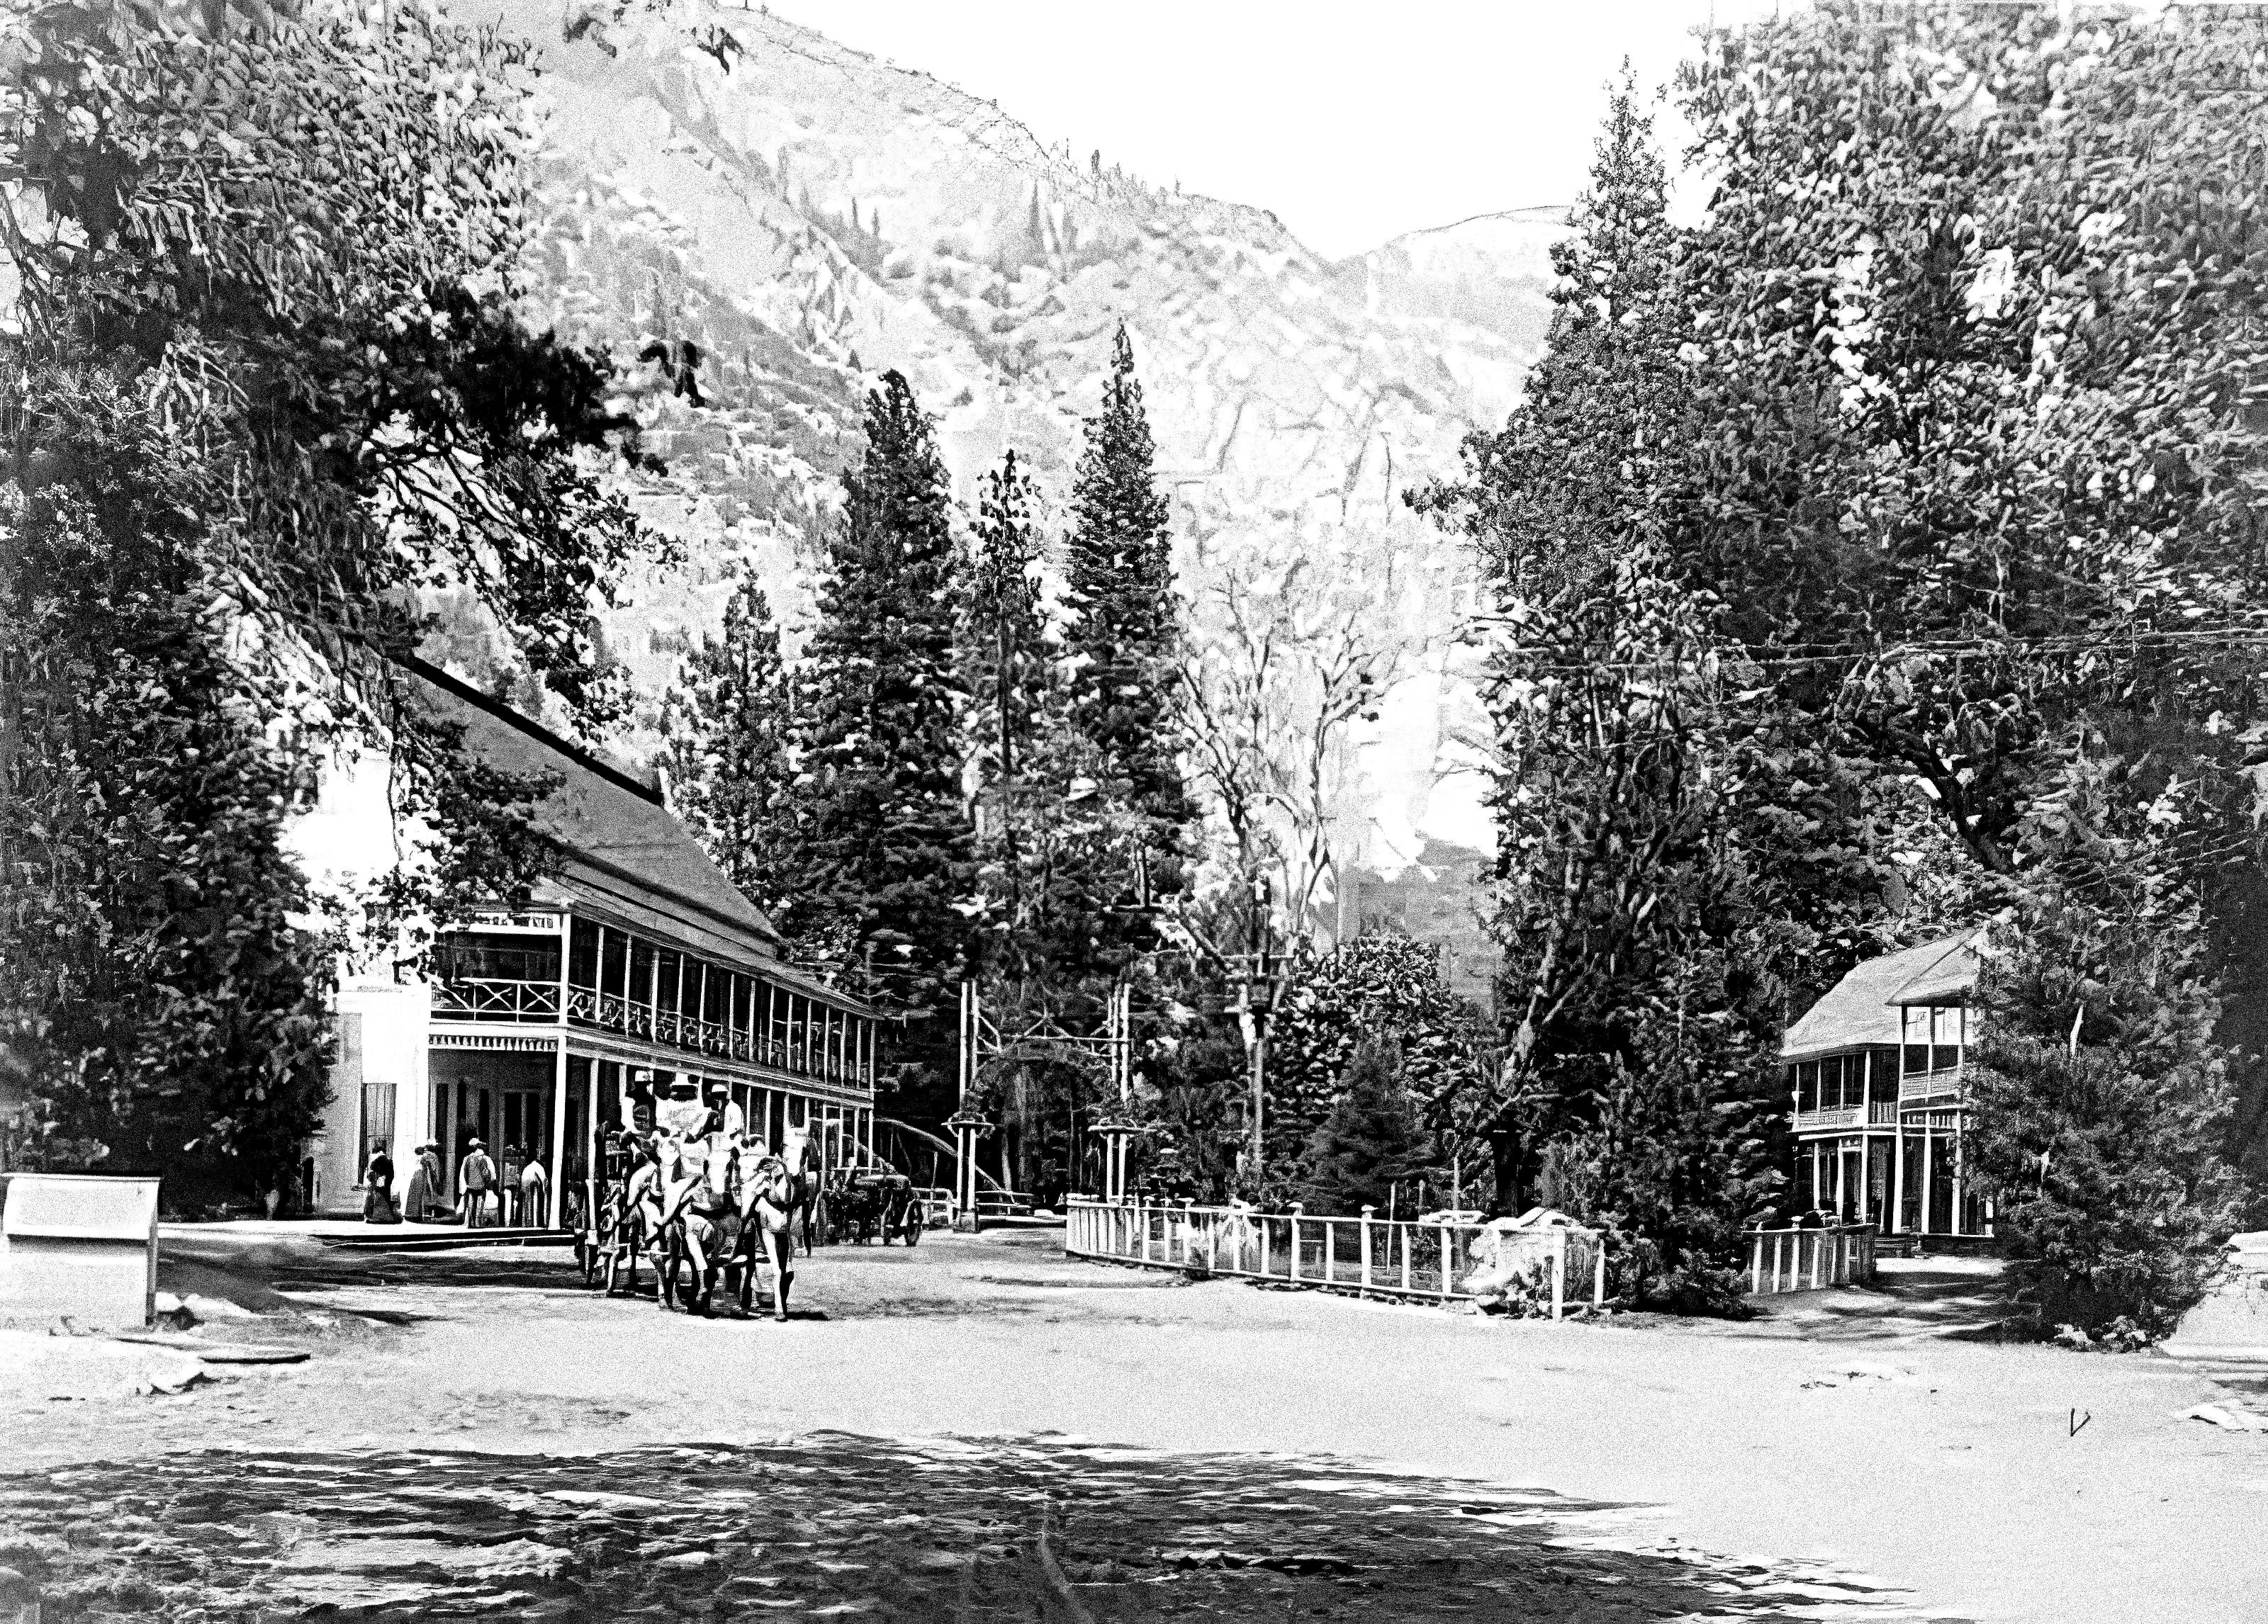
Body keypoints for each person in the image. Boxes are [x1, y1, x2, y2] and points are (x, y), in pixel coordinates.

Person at [459, 1137, 498, 1228]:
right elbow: (493, 1174)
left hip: (470, 1186)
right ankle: (478, 1223)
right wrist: (490, 1185)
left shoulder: (467, 1158)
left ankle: (471, 1223)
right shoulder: (486, 1159)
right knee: (480, 1206)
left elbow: (464, 1173)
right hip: (481, 1185)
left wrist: (465, 1185)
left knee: (471, 1205)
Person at [404, 1139, 444, 1222]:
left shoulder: (417, 1157)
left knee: (415, 1194)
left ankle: (413, 1213)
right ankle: (423, 1214)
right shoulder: (429, 1156)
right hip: (423, 1175)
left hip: (415, 1176)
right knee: (425, 1194)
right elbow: (432, 1169)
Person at [364, 1143, 401, 1224]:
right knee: (385, 1196)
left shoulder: (381, 1158)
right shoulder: (388, 1159)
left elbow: (373, 1167)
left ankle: (381, 1216)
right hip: (387, 1181)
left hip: (382, 1181)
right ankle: (387, 1215)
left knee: (380, 1197)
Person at [520, 1152, 550, 1229]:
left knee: (527, 1203)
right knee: (535, 1202)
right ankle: (535, 1223)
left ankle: (526, 1222)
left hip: (525, 1181)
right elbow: (544, 1179)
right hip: (532, 1182)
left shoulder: (530, 1166)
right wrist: (545, 1191)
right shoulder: (539, 1166)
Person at [500, 1143, 526, 1226]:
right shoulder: (519, 1159)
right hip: (514, 1183)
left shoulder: (506, 1160)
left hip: (509, 1183)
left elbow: (502, 1174)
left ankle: (509, 1221)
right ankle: (512, 1220)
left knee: (511, 1202)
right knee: (514, 1202)